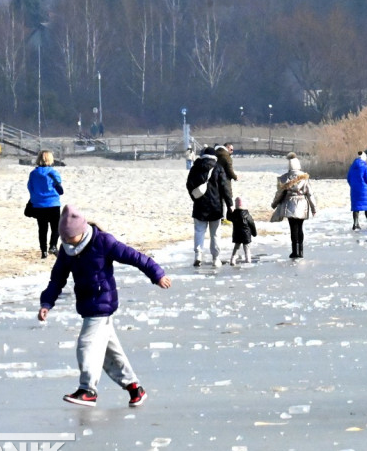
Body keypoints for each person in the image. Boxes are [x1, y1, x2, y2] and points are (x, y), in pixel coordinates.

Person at [37, 205, 172, 408]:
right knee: (110, 353)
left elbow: (135, 257)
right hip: (86, 303)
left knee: (86, 344)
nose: (66, 242)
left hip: (102, 302)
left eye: (69, 237)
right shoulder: (67, 250)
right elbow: (57, 280)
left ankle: (88, 390)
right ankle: (135, 387)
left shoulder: (103, 241)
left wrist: (157, 274)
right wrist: (47, 302)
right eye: (63, 238)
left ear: (81, 231)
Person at [186, 147, 232, 267]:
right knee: (215, 233)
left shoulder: (195, 167)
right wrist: (229, 204)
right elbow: (224, 188)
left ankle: (198, 255)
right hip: (215, 207)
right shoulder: (218, 168)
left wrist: (194, 197)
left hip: (199, 206)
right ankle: (216, 259)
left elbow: (189, 184)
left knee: (199, 231)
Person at [271, 152, 317, 259]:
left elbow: (279, 194)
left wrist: (274, 204)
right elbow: (310, 194)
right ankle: (300, 251)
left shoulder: (283, 179)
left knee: (293, 228)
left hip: (289, 204)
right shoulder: (304, 178)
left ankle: (294, 251)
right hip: (302, 204)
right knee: (300, 228)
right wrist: (314, 208)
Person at [27, 150, 64, 259]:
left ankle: (43, 251)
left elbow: (30, 187)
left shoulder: (33, 173)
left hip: (39, 204)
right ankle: (53, 246)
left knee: (42, 229)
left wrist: (35, 199)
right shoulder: (53, 172)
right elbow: (59, 186)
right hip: (53, 203)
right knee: (56, 227)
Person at [347, 151, 367, 230]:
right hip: (365, 189)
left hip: (355, 189)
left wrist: (353, 185)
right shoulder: (365, 166)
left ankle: (355, 223)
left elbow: (349, 178)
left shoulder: (352, 167)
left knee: (356, 207)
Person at [228, 197, 257, 265]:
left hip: (237, 234)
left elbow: (228, 217)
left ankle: (232, 259)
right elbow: (252, 224)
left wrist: (229, 210)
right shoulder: (247, 215)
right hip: (246, 235)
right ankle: (248, 259)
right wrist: (254, 233)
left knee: (236, 247)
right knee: (247, 248)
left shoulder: (234, 214)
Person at [215, 143, 238, 220]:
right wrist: (235, 177)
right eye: (231, 149)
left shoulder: (216, 155)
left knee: (219, 199)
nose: (232, 151)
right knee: (227, 198)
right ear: (227, 148)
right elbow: (229, 170)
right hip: (225, 180)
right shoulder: (227, 157)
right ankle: (225, 218)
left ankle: (220, 217)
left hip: (215, 180)